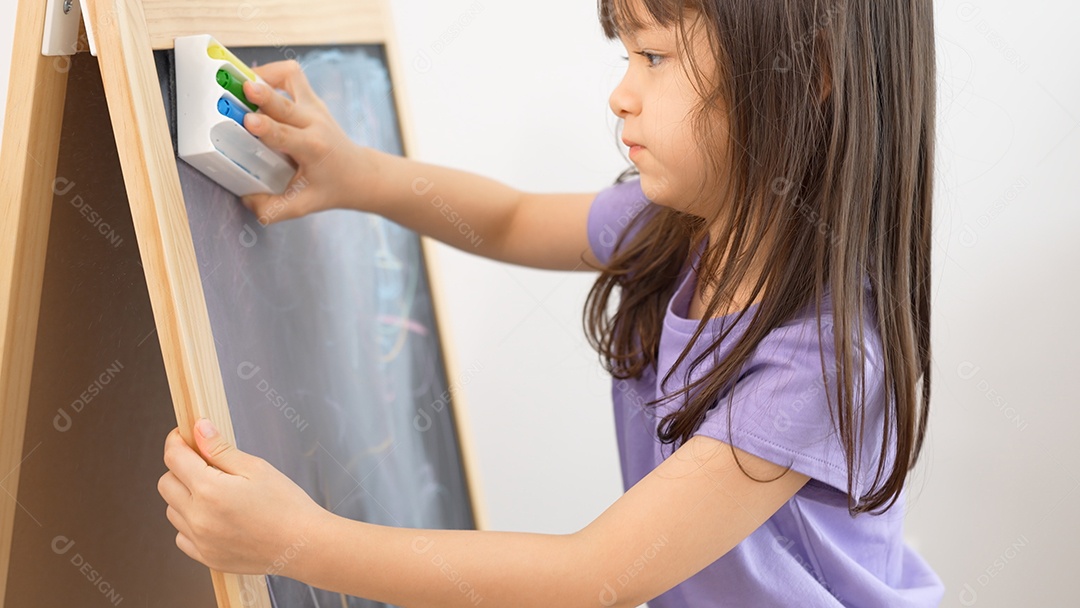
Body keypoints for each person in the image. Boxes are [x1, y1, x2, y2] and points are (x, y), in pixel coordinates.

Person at [158, 0, 945, 605]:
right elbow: (511, 218)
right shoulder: (676, 229)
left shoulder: (819, 359)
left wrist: (300, 543)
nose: (620, 94)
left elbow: (596, 576)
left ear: (807, 72)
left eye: (654, 56)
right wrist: (358, 174)